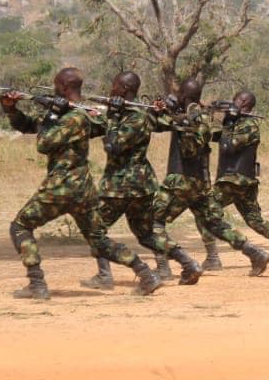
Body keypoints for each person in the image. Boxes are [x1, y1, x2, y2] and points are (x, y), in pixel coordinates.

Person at [2, 67, 162, 299]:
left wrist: (53, 115)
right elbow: (28, 125)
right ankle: (146, 274)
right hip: (83, 189)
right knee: (99, 239)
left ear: (64, 87)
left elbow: (43, 143)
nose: (54, 89)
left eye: (57, 85)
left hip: (62, 186)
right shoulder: (76, 113)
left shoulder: (75, 117)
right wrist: (10, 108)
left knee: (20, 226)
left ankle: (36, 283)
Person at [80, 71, 201, 289]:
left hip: (120, 186)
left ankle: (107, 276)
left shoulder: (136, 117)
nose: (112, 88)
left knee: (94, 231)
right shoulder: (138, 114)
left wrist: (114, 116)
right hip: (142, 186)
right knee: (146, 235)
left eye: (115, 85)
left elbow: (112, 146)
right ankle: (188, 263)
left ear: (125, 89)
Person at [151, 78, 269, 277]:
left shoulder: (186, 117)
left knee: (152, 222)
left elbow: (161, 126)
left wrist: (164, 112)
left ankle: (167, 266)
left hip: (180, 179)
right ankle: (254, 252)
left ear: (185, 95)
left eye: (180, 93)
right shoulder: (205, 116)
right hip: (201, 183)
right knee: (215, 224)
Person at [198, 91, 269, 270]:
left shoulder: (249, 125)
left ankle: (213, 257)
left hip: (235, 181)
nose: (234, 102)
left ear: (247, 105)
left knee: (203, 209)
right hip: (241, 182)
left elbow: (228, 147)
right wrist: (207, 115)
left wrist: (228, 121)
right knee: (256, 222)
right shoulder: (237, 122)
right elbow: (210, 136)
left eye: (238, 101)